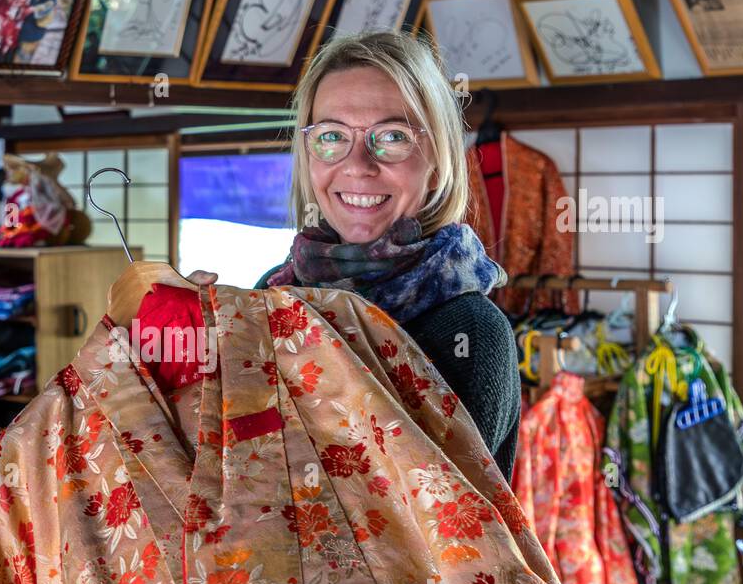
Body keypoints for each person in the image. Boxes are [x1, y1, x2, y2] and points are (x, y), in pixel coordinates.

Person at [189, 31, 521, 477]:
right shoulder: (277, 292)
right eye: (331, 135)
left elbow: (412, 523)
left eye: (392, 136)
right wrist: (192, 354)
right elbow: (221, 464)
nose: (358, 164)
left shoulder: (470, 332)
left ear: (438, 158)